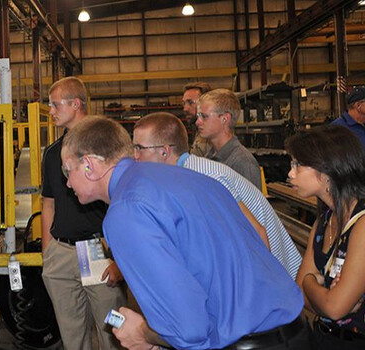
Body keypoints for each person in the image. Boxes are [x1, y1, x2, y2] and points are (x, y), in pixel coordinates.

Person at [61, 116, 308, 350]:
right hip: (294, 329)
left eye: (67, 171)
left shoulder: (126, 210)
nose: (68, 184)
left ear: (89, 166)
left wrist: (141, 333)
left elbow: (188, 328)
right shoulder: (190, 177)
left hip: (242, 341)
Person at [132, 112, 302, 279]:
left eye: (140, 148)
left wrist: (262, 288)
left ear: (164, 151)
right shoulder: (184, 175)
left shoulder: (206, 178)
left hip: (278, 275)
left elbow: (257, 233)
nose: (135, 156)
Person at [41, 77, 126, 350]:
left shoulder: (106, 148)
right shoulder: (53, 153)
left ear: (75, 104)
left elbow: (123, 203)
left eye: (55, 104)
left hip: (97, 251)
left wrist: (119, 260)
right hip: (62, 253)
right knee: (71, 334)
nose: (51, 111)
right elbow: (48, 202)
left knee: (112, 330)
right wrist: (48, 251)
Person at [287, 125, 365, 350]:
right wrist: (324, 293)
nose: (290, 173)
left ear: (329, 170)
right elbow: (298, 294)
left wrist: (312, 281)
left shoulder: (361, 224)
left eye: (298, 165)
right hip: (324, 338)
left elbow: (333, 308)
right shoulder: (323, 222)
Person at [196, 89, 263, 190]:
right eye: (198, 116)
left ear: (225, 118)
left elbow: (252, 205)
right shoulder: (210, 157)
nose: (198, 122)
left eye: (204, 116)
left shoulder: (243, 163)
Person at [182, 82, 212, 157]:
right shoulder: (199, 131)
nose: (185, 109)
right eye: (184, 103)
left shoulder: (211, 137)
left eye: (190, 102)